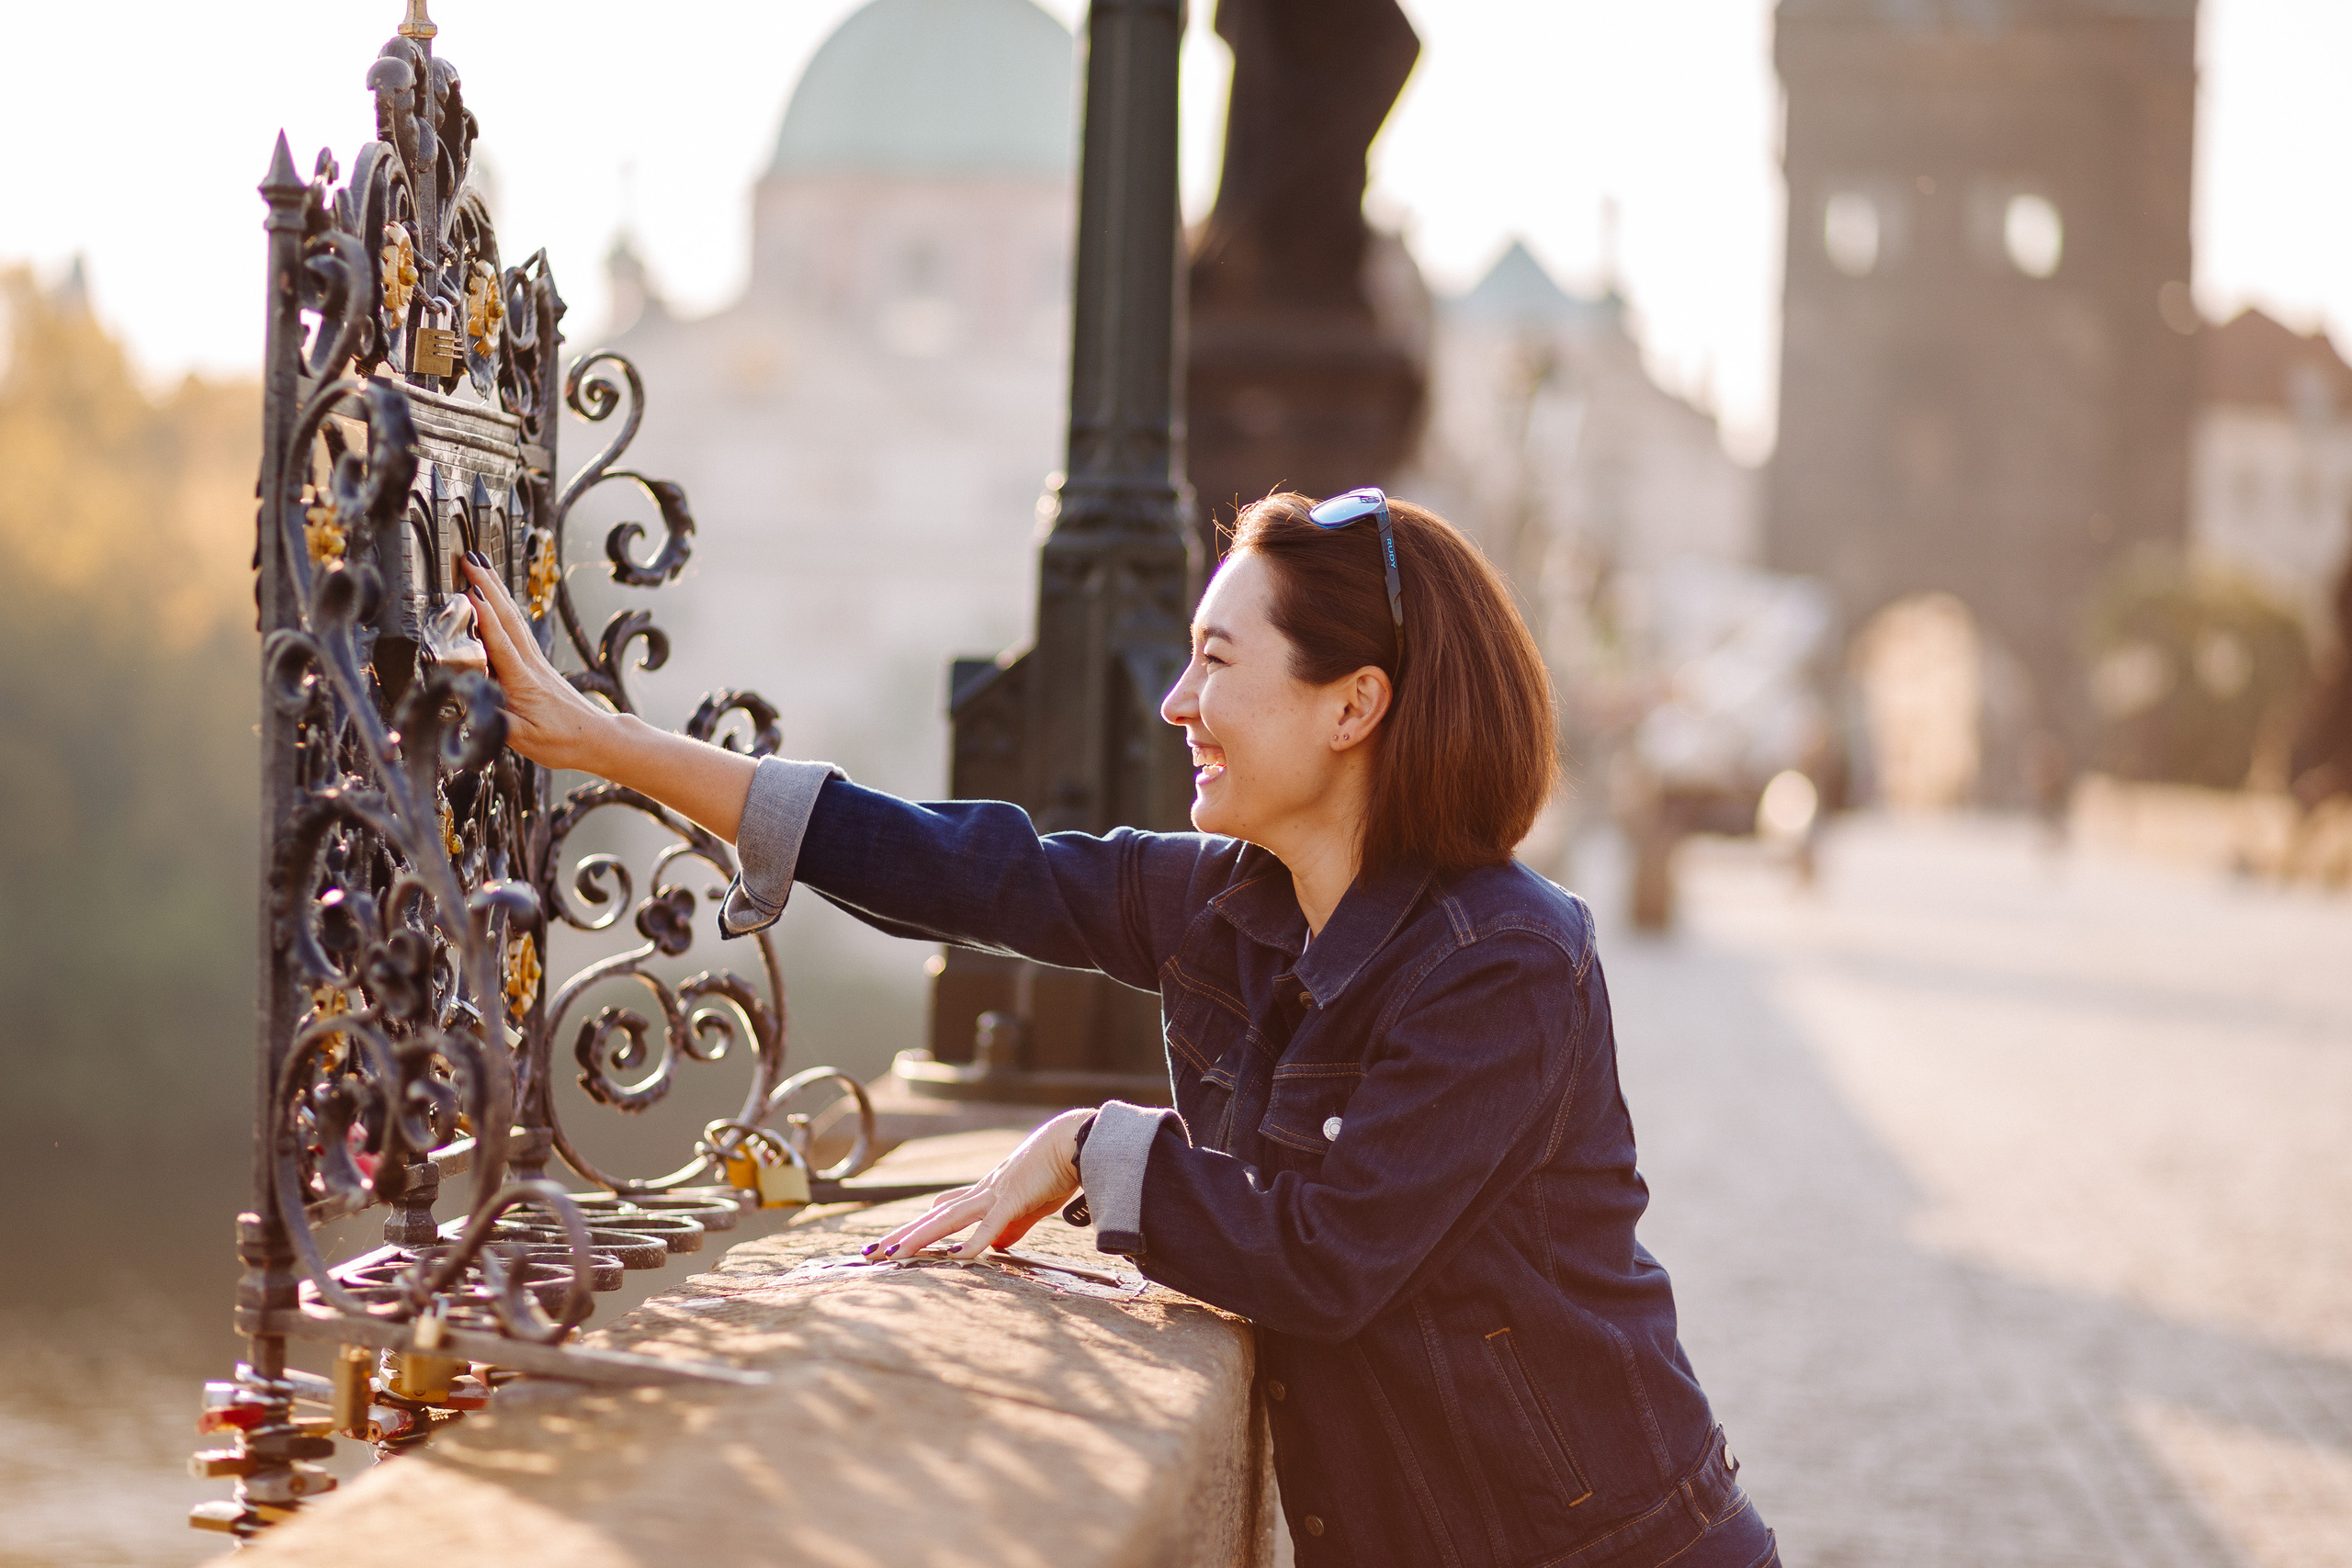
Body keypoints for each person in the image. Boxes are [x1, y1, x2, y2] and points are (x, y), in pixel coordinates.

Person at [462, 491, 1777, 1568]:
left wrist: (1097, 1147)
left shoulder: (1506, 964)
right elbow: (957, 866)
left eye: (1217, 660)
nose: (1174, 703)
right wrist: (600, 742)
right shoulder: (1230, 906)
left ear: (1353, 704)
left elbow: (1327, 1258)